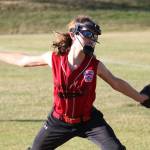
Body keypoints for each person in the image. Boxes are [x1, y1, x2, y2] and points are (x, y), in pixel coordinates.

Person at [0, 15, 149, 150]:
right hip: (58, 121)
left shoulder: (94, 64)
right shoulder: (54, 59)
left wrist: (142, 98)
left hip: (89, 121)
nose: (92, 39)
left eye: (94, 36)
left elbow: (116, 83)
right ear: (73, 34)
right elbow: (22, 61)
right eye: (88, 34)